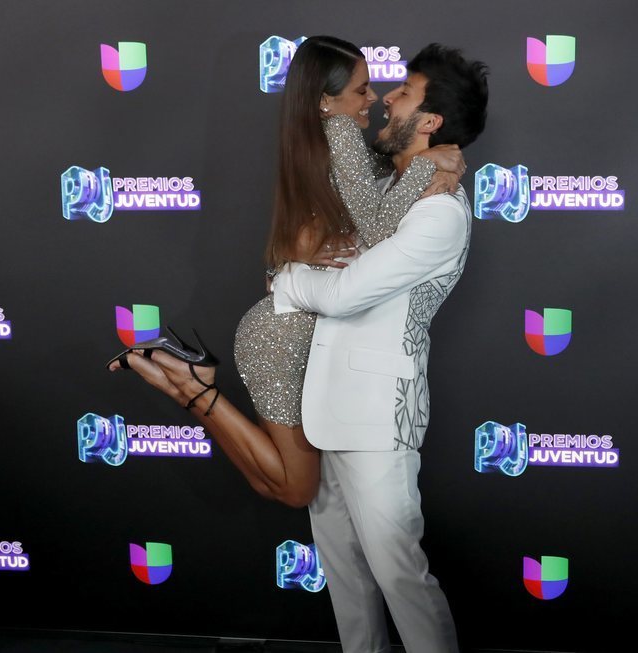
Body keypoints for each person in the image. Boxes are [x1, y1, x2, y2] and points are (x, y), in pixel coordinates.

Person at [122, 42, 489, 653]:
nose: (386, 100)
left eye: (403, 94)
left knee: (399, 573)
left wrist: (286, 280)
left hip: (375, 415)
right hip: (320, 398)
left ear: (429, 122)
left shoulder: (439, 215)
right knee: (346, 575)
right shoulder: (398, 181)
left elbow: (345, 294)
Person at [107, 35, 465, 508]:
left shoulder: (329, 138)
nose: (374, 98)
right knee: (295, 489)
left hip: (290, 334)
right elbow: (379, 230)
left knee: (284, 484)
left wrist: (433, 157)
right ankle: (192, 388)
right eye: (362, 89)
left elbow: (363, 199)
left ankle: (192, 384)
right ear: (326, 101)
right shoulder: (339, 136)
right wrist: (427, 165)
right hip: (283, 339)